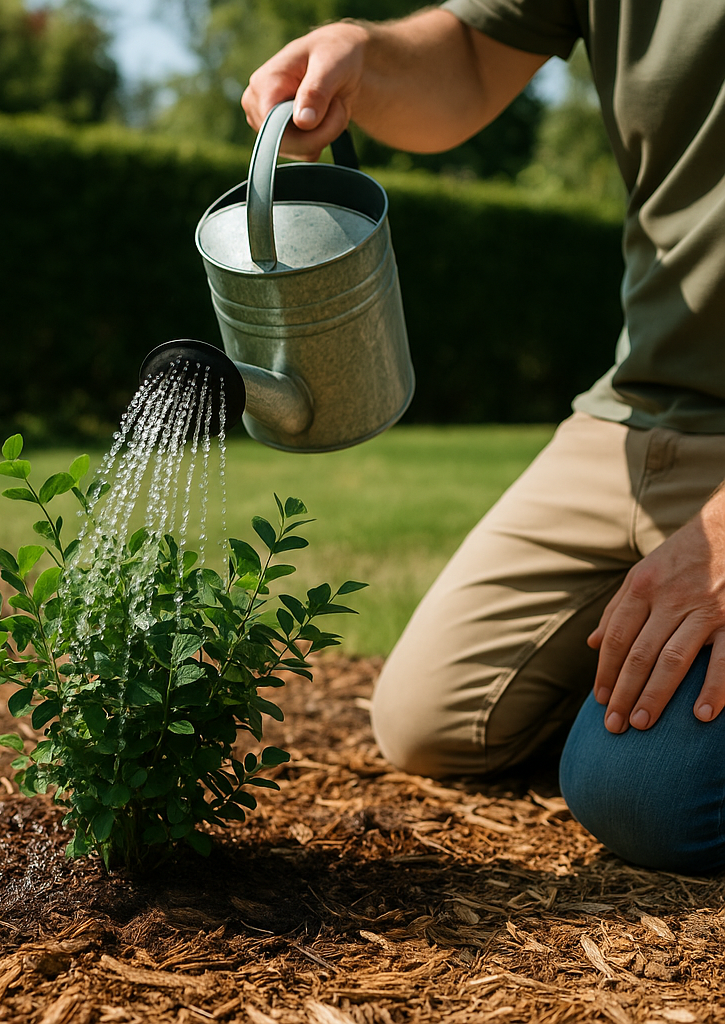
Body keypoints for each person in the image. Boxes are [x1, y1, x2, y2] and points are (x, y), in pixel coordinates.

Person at [242, 2, 725, 874]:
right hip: (641, 411)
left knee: (651, 796)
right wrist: (363, 54)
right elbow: (467, 60)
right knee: (432, 720)